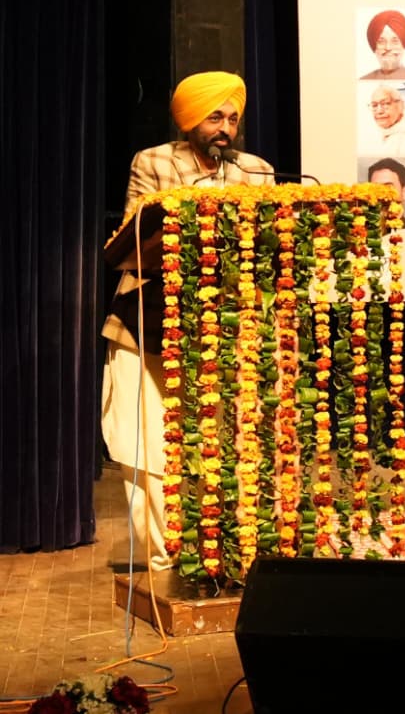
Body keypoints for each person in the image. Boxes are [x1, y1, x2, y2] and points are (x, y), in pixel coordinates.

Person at [101, 71, 275, 570]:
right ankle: (166, 554)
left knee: (228, 443)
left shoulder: (257, 171)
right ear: (189, 119)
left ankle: (230, 548)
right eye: (215, 117)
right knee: (150, 440)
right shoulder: (154, 161)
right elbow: (135, 234)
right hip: (149, 320)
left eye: (233, 119)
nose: (225, 129)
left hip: (229, 326)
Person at [360, 84, 405, 156]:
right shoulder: (367, 135)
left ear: (400, 105)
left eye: (385, 104)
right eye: (374, 105)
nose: (379, 111)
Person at [360, 9, 405, 80]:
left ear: (404, 44)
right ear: (373, 46)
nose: (388, 47)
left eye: (395, 41)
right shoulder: (363, 80)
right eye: (381, 42)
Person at [367, 157, 405, 229]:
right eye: (376, 188)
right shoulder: (360, 229)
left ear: (404, 192)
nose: (381, 195)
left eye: (388, 187)